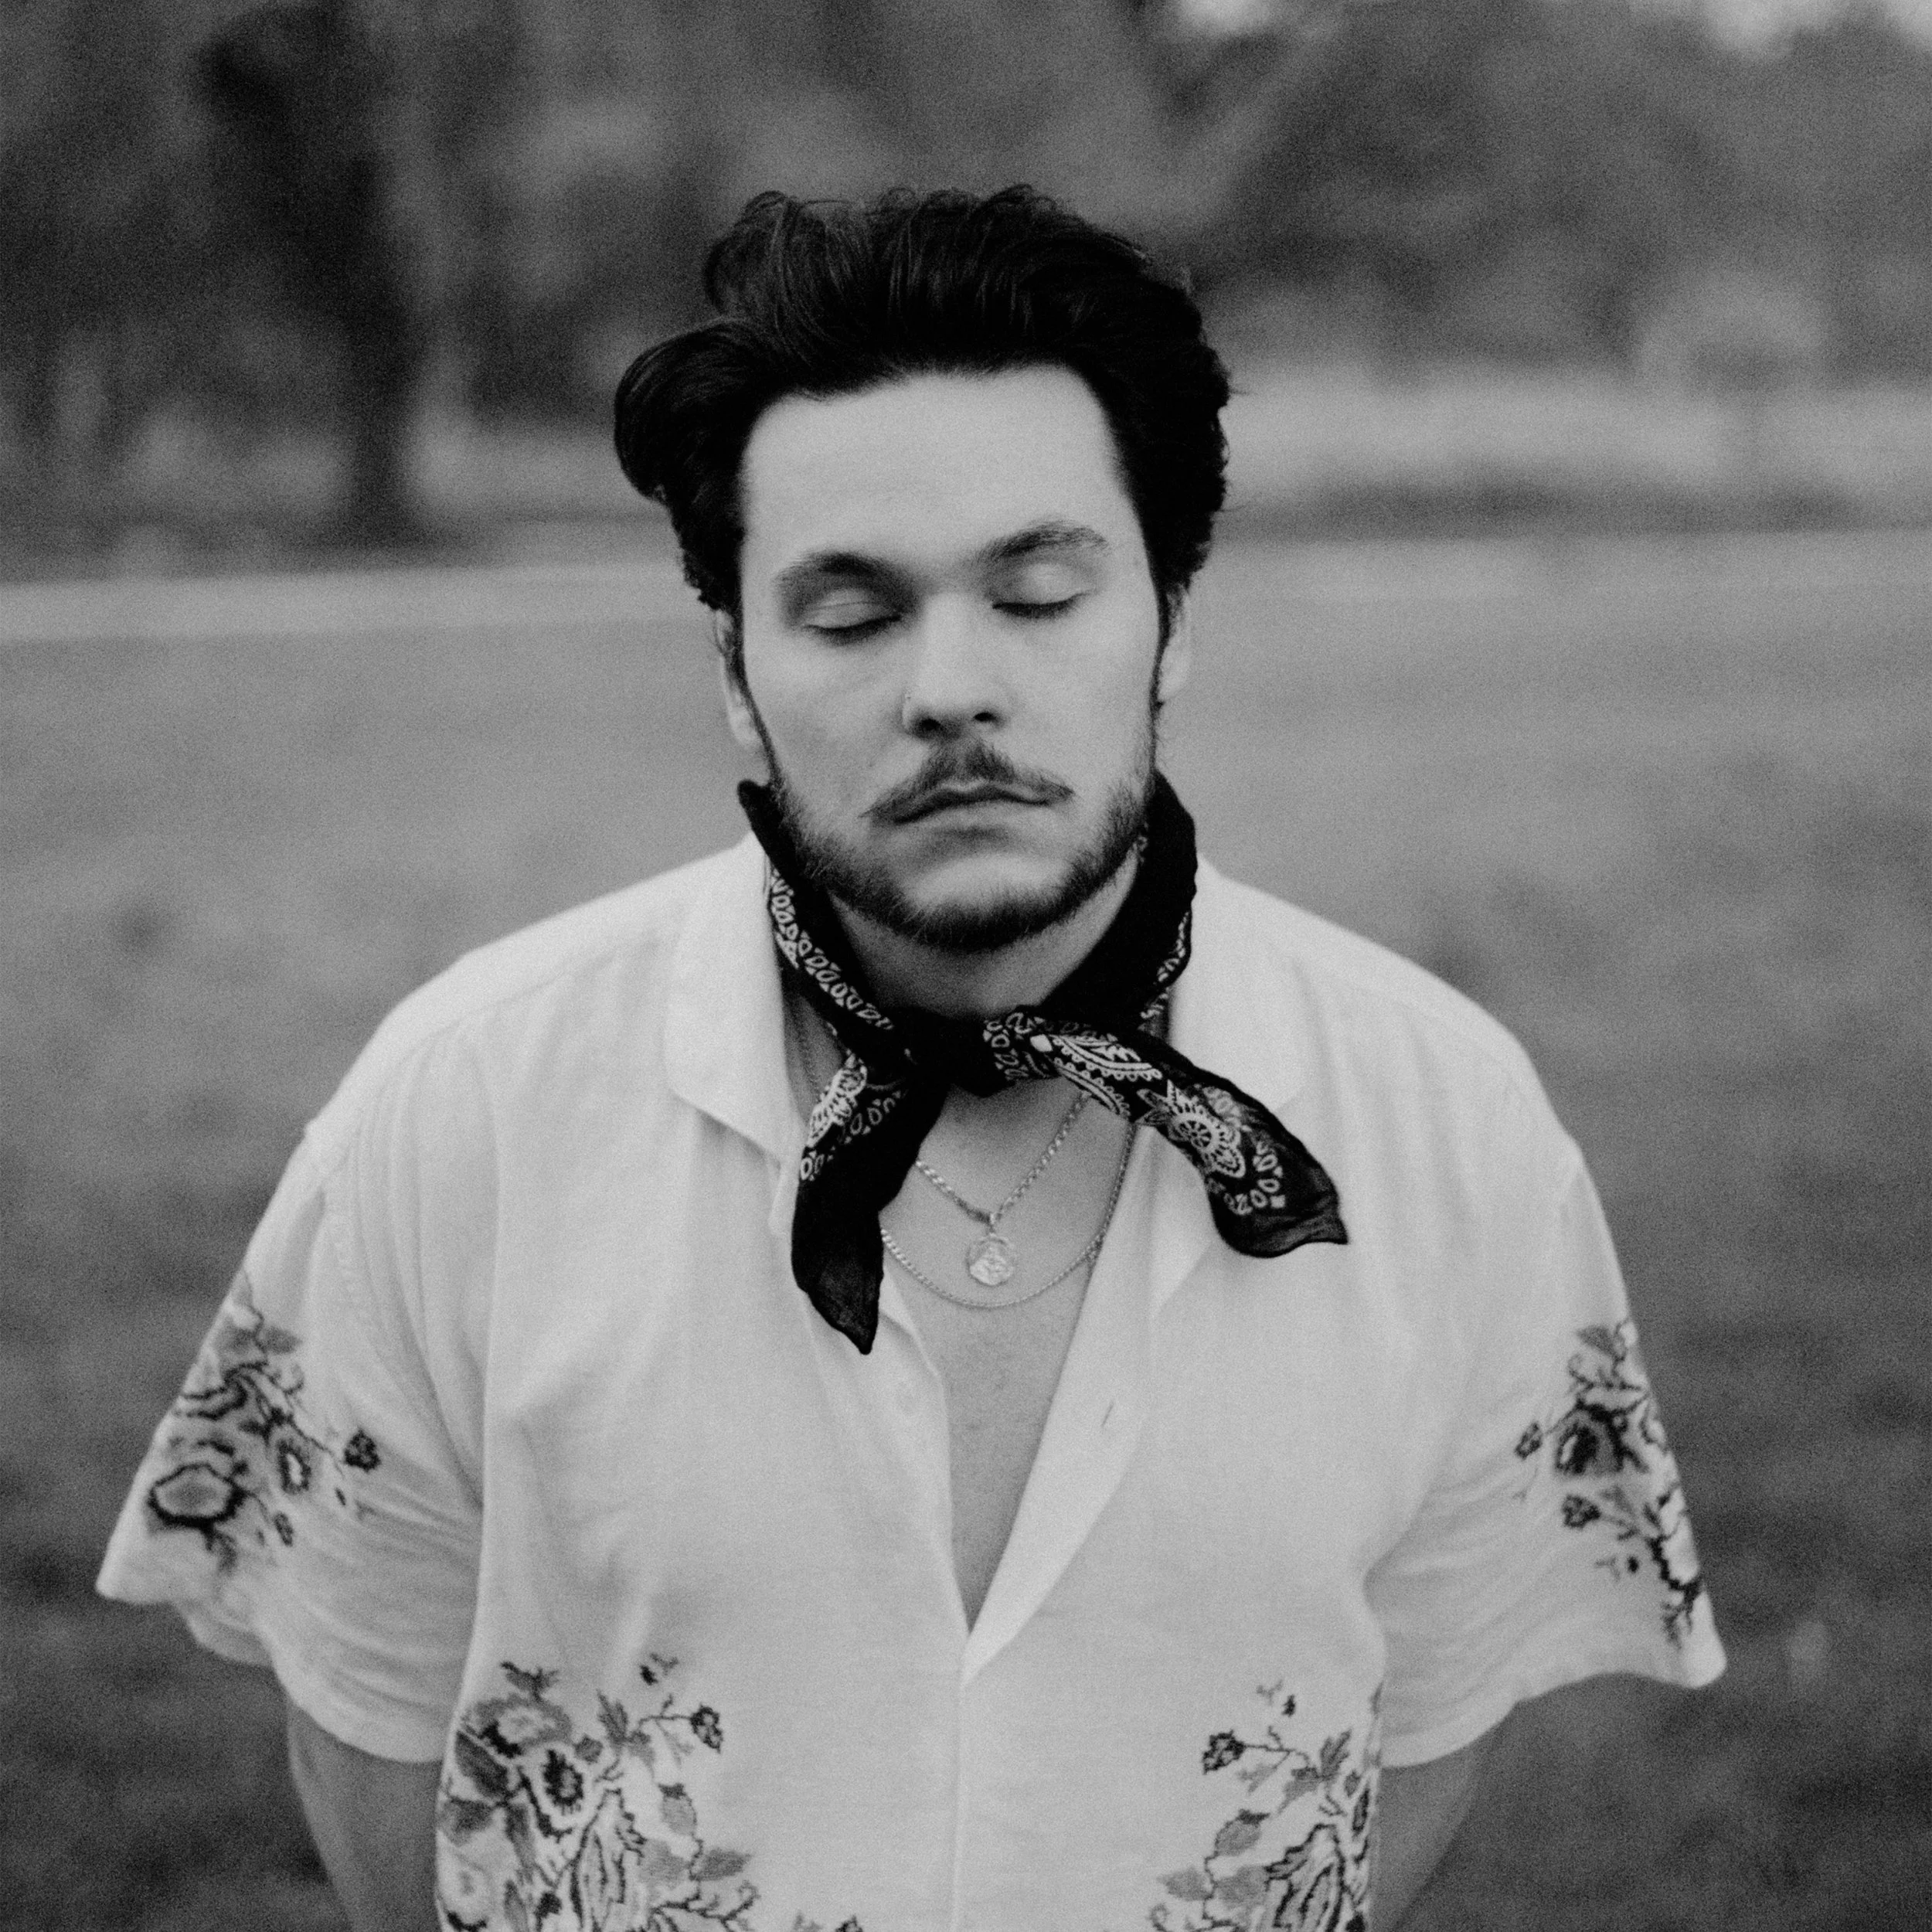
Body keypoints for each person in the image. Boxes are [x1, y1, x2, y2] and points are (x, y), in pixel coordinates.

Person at [100, 187, 1723, 1932]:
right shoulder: (460, 1108)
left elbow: (1426, 1721)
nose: (952, 684)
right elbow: (367, 1733)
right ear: (737, 673)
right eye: (853, 614)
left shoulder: (1447, 1126)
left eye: (1036, 590)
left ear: (1170, 619)